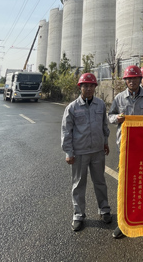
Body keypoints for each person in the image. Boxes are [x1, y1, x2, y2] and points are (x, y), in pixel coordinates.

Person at [108, 65, 143, 239]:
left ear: (140, 79)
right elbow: (110, 116)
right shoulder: (119, 98)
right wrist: (117, 118)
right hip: (125, 148)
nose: (132, 81)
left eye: (135, 78)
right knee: (126, 184)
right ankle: (123, 222)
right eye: (129, 79)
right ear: (125, 81)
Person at [61, 72, 112, 232]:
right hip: (80, 152)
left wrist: (105, 142)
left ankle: (104, 209)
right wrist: (69, 152)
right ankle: (78, 215)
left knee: (100, 182)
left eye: (91, 86)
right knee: (78, 184)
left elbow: (104, 126)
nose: (89, 89)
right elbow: (66, 131)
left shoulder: (100, 105)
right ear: (80, 87)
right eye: (85, 86)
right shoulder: (72, 108)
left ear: (95, 87)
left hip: (97, 151)